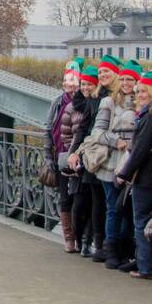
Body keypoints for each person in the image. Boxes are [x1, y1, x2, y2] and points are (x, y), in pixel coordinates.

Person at [115, 72, 152, 280]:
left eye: (143, 91)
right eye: (137, 92)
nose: (139, 95)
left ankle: (147, 267)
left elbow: (139, 150)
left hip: (146, 177)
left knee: (143, 221)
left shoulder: (149, 116)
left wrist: (124, 173)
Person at [91, 59, 139, 269]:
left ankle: (127, 252)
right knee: (114, 207)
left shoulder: (145, 101)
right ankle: (112, 251)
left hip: (135, 161)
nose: (127, 83)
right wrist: (117, 142)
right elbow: (97, 132)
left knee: (130, 208)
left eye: (132, 79)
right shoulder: (109, 102)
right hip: (112, 160)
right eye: (125, 79)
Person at [66, 64, 102, 257]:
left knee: (94, 203)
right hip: (80, 159)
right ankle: (79, 240)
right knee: (80, 203)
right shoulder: (74, 104)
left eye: (90, 84)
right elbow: (65, 131)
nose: (86, 87)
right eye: (83, 84)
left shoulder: (99, 101)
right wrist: (71, 152)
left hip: (96, 158)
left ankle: (90, 243)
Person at [47, 65, 80, 252]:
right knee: (65, 199)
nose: (71, 86)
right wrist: (47, 157)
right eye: (68, 82)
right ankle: (69, 238)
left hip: (79, 158)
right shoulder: (57, 103)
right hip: (61, 157)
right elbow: (48, 129)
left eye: (74, 82)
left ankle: (82, 239)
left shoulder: (84, 102)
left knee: (80, 200)